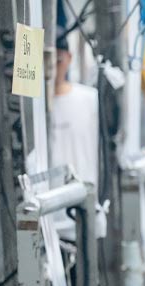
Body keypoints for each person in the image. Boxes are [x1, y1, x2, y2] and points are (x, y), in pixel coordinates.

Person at [48, 30, 99, 242]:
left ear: (68, 58)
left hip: (83, 211)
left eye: (58, 60)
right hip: (49, 218)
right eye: (48, 62)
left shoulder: (89, 100)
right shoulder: (36, 109)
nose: (53, 68)